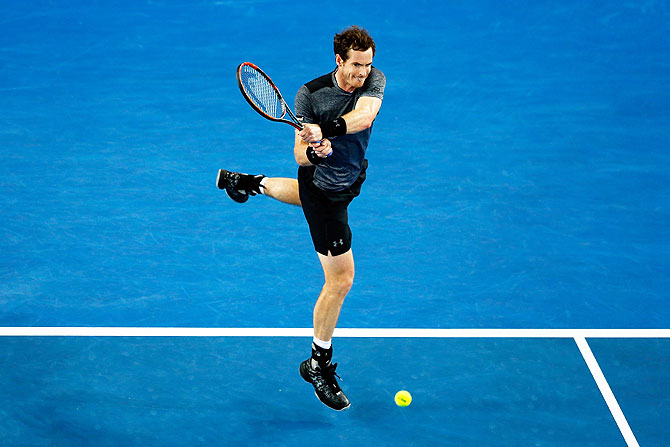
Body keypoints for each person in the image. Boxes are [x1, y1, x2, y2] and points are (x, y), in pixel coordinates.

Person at [217, 25, 385, 411]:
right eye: (355, 66)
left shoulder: (373, 79)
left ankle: (248, 183)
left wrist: (326, 132)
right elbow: (298, 155)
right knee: (341, 280)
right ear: (338, 60)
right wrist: (316, 152)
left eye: (367, 66)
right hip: (324, 191)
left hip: (351, 177)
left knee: (304, 200)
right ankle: (318, 363)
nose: (362, 74)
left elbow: (364, 115)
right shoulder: (309, 95)